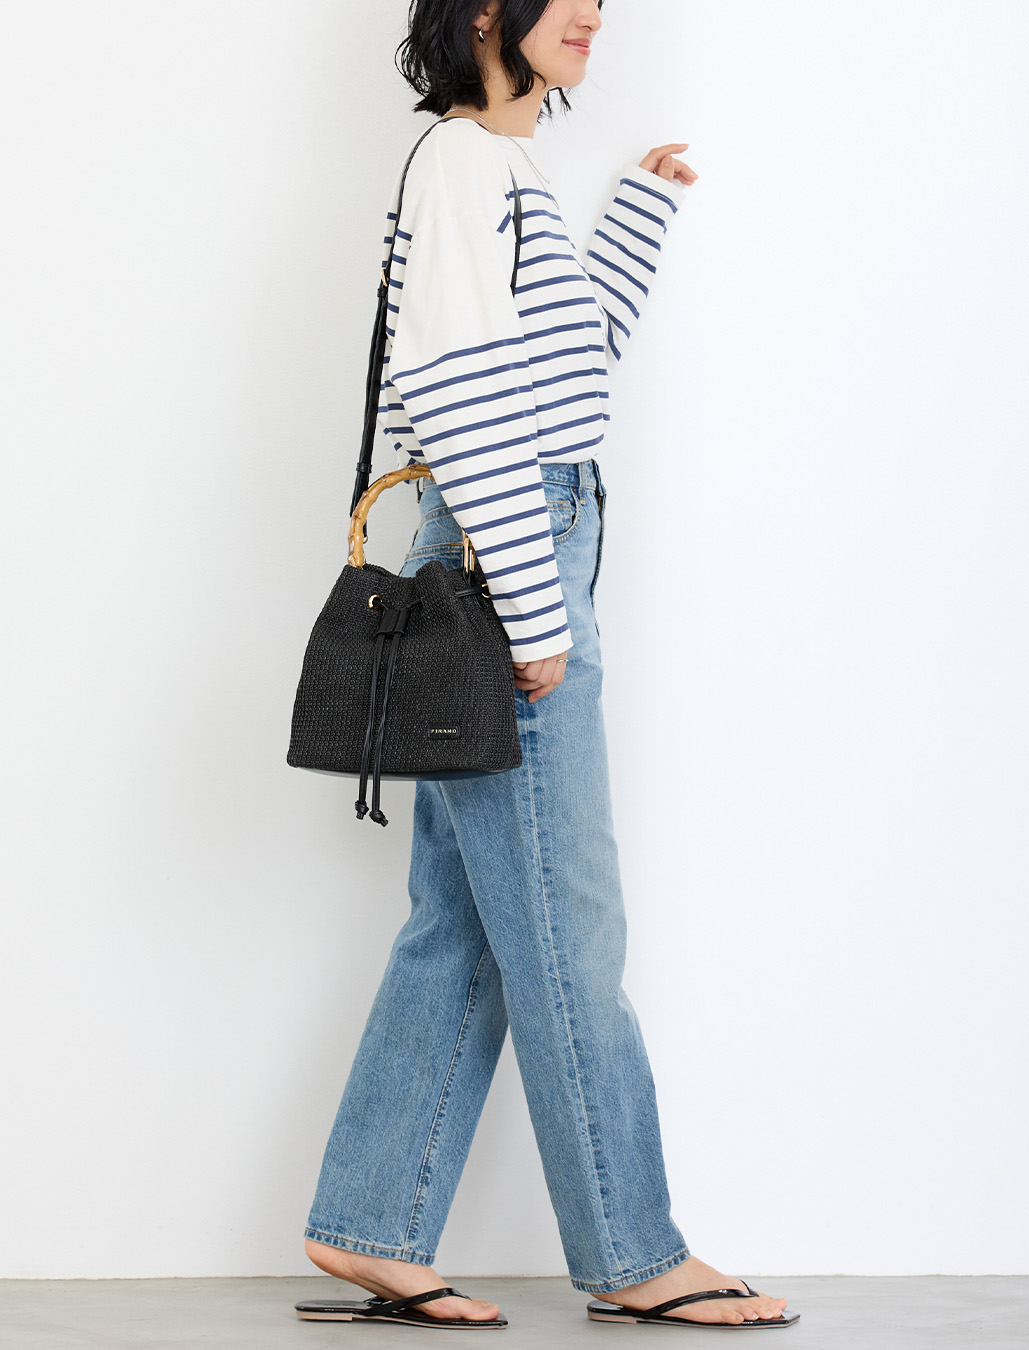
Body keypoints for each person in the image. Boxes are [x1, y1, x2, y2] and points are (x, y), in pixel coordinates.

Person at [297, 0, 796, 1332]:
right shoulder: (464, 165)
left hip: (517, 538)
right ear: (484, 15)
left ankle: (369, 1222)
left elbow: (561, 382)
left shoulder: (497, 171)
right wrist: (532, 613)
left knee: (464, 921)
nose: (590, 12)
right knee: (570, 924)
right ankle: (632, 1251)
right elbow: (464, 403)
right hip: (506, 555)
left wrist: (632, 218)